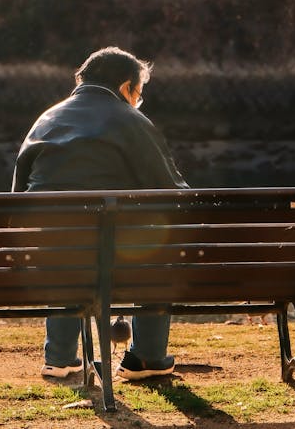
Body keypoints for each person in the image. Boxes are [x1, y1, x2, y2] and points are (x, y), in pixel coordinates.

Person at [13, 46, 188, 381]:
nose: (138, 101)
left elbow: (18, 198)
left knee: (63, 248)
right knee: (156, 255)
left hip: (53, 259)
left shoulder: (46, 119)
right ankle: (147, 358)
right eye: (139, 93)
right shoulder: (130, 120)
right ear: (126, 87)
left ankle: (60, 358)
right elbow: (173, 190)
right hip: (121, 263)